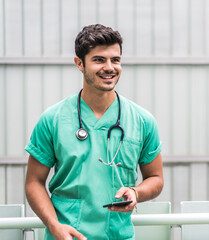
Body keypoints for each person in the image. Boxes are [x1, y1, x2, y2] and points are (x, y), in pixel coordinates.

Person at [25, 24, 164, 240]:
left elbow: (155, 178)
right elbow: (33, 182)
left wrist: (136, 192)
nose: (109, 67)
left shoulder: (142, 120)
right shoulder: (52, 119)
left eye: (115, 60)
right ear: (79, 63)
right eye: (99, 60)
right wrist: (54, 225)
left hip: (118, 235)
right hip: (66, 236)